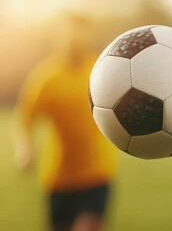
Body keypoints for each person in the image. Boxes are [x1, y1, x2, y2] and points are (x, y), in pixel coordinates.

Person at [13, 12, 117, 231]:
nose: (73, 39)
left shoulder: (103, 70)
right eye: (68, 34)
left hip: (97, 173)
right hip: (59, 177)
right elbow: (24, 118)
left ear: (89, 35)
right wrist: (25, 147)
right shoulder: (46, 77)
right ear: (58, 37)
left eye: (79, 33)